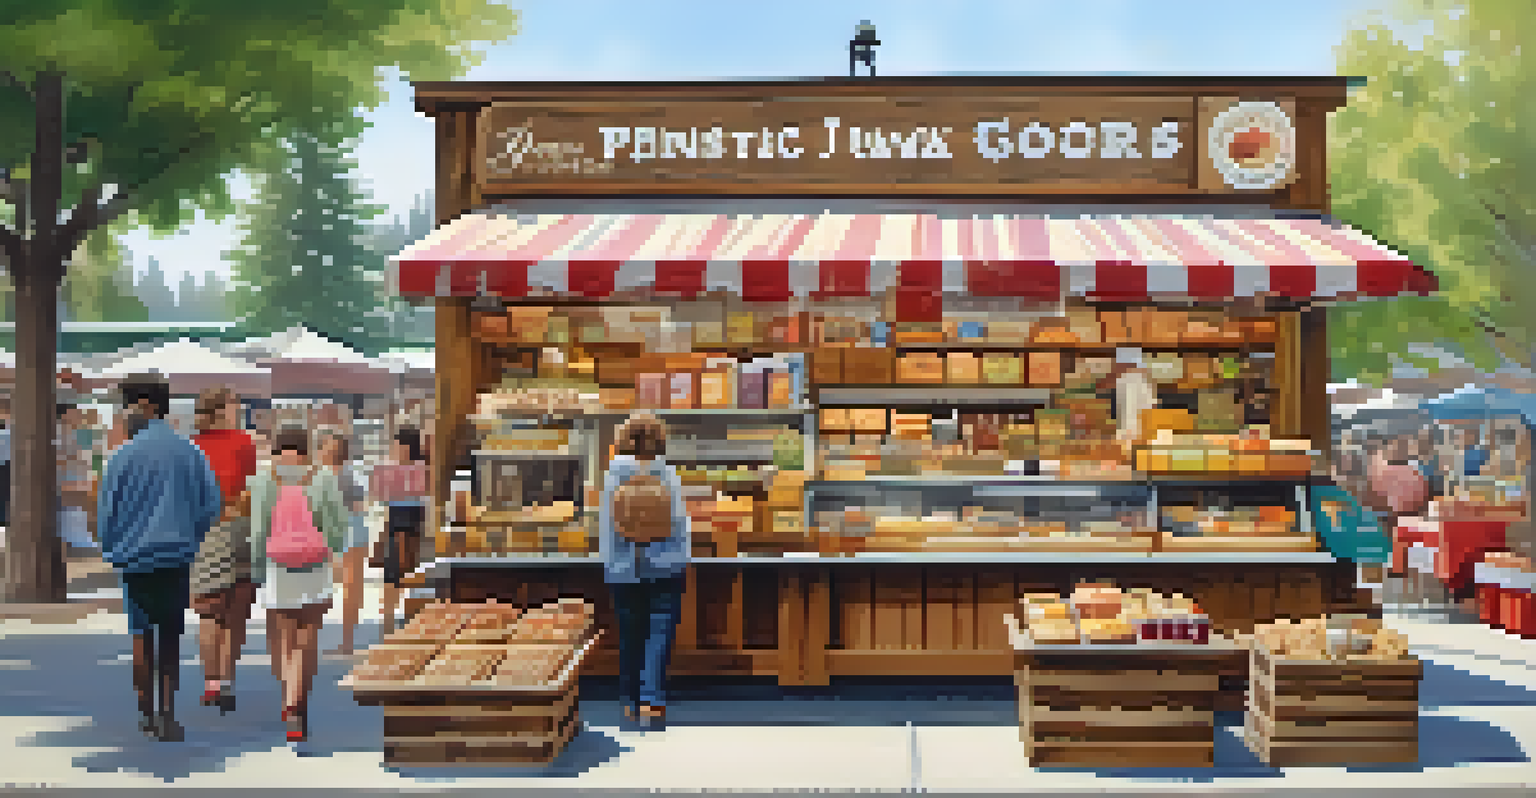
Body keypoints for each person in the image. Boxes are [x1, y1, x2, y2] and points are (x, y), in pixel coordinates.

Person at [96, 373, 224, 742]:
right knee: (170, 635)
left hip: (134, 558)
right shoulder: (190, 452)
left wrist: (113, 548)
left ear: (145, 405)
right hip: (176, 557)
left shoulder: (121, 456)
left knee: (140, 634)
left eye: (126, 405)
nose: (123, 413)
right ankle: (167, 714)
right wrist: (191, 536)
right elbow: (211, 505)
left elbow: (106, 513)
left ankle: (146, 713)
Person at [249, 426, 348, 743]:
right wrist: (332, 550)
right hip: (314, 565)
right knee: (307, 638)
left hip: (278, 566)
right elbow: (338, 526)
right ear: (307, 449)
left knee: (283, 637)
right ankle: (297, 704)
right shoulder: (323, 477)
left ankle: (288, 698)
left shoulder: (264, 479)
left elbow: (258, 528)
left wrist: (257, 568)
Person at [599, 413, 691, 730]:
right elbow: (679, 523)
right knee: (659, 634)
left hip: (623, 568)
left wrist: (613, 560)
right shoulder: (668, 474)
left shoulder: (612, 475)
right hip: (665, 566)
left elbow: (607, 526)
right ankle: (652, 700)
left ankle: (629, 702)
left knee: (630, 636)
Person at [188, 387, 259, 714]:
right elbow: (250, 488)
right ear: (223, 410)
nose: (240, 409)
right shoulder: (243, 442)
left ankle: (211, 682)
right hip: (239, 527)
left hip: (203, 531)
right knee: (235, 611)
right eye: (236, 405)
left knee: (209, 610)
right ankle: (227, 681)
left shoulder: (192, 445)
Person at [318, 428, 369, 655]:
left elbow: (358, 507)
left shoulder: (335, 476)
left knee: (347, 588)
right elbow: (360, 508)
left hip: (345, 533)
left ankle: (345, 641)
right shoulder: (349, 474)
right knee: (350, 588)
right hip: (352, 532)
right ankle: (346, 641)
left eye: (325, 448)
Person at [372, 427, 429, 633]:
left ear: (407, 448)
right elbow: (385, 499)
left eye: (397, 446)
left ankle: (396, 623)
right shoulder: (404, 470)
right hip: (397, 527)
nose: (394, 450)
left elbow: (411, 503)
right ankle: (390, 623)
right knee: (393, 577)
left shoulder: (416, 470)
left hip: (406, 530)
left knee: (400, 577)